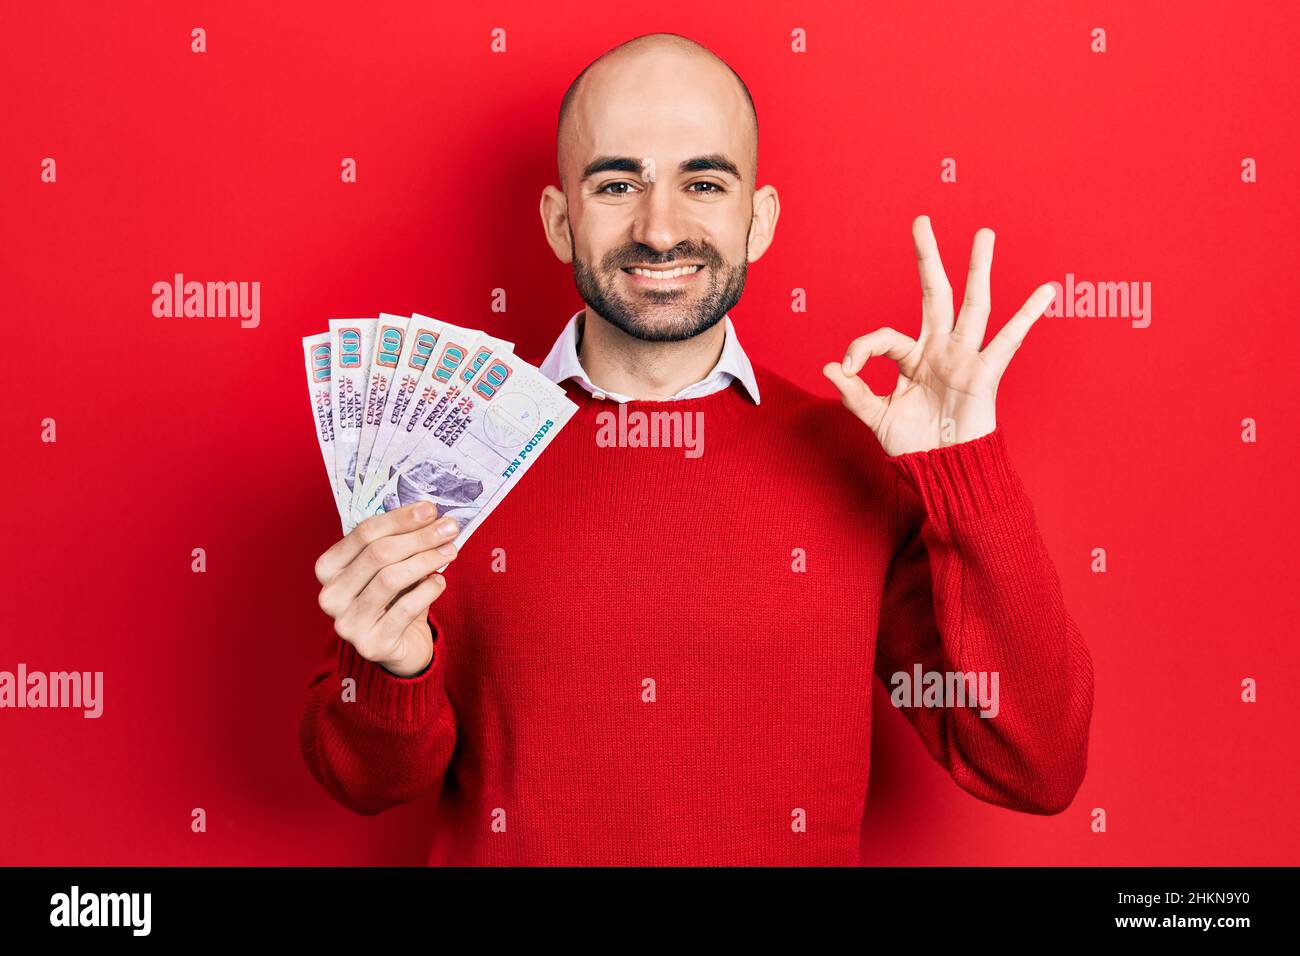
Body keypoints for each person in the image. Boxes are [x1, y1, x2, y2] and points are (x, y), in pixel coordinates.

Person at [298, 32, 1094, 866]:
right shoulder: (445, 455)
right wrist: (393, 668)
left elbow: (1034, 765)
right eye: (616, 184)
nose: (660, 228)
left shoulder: (856, 466)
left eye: (703, 182)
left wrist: (965, 470)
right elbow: (362, 782)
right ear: (560, 221)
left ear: (758, 222)